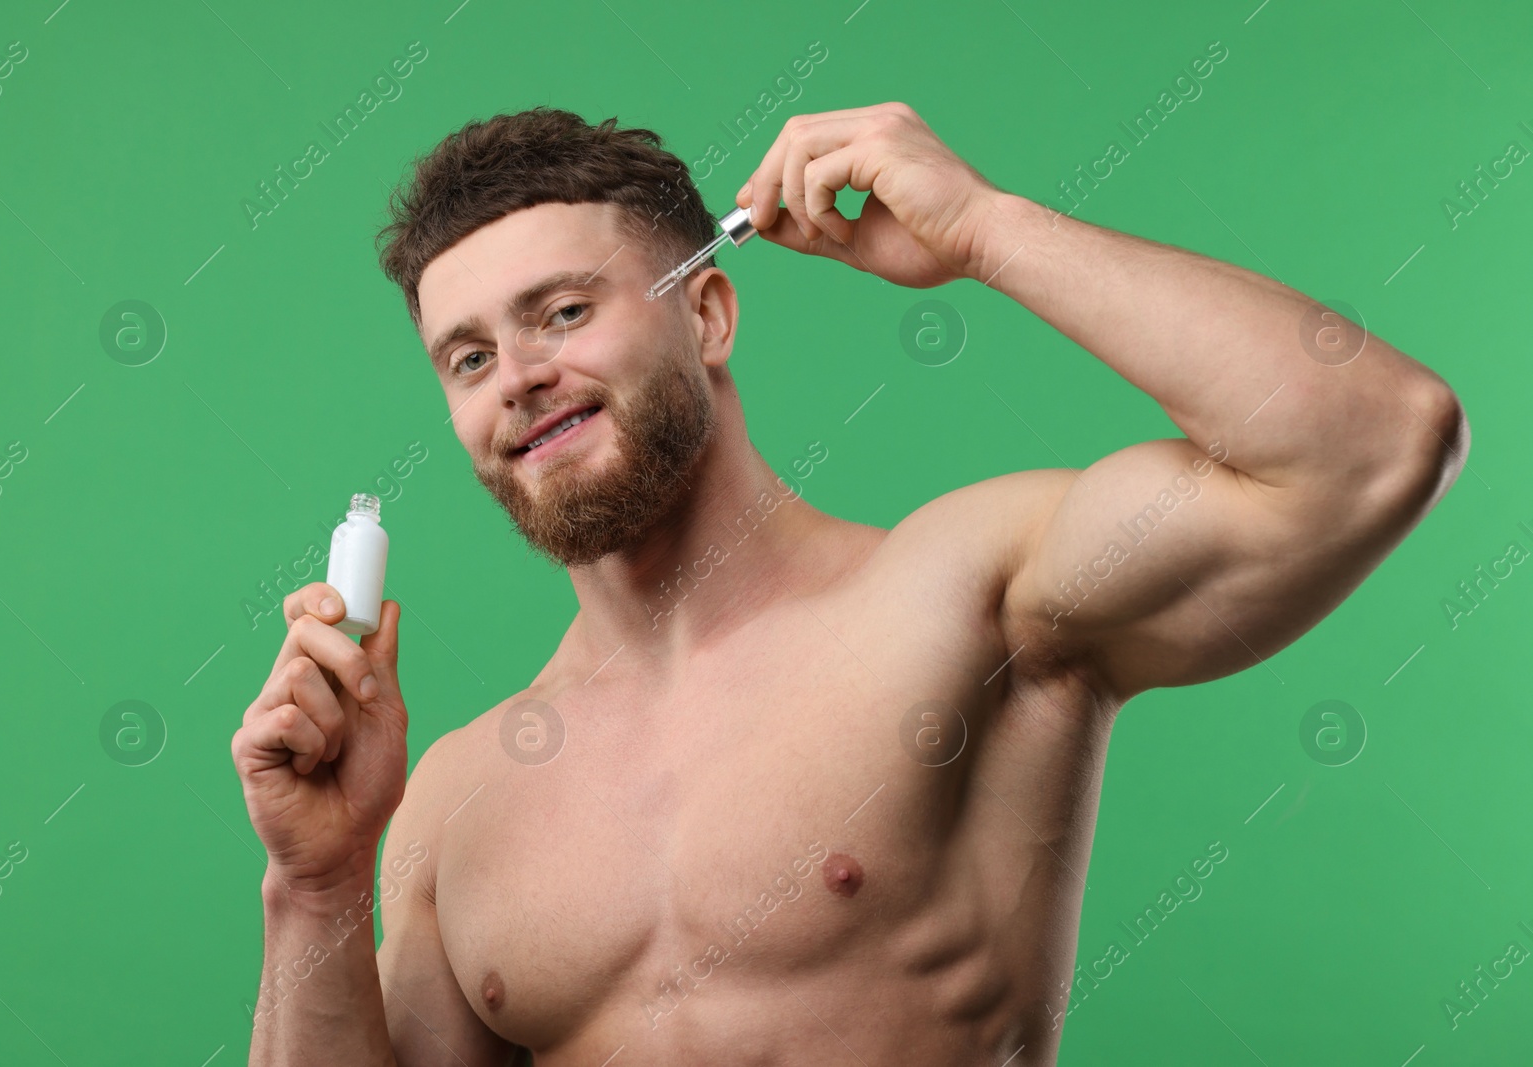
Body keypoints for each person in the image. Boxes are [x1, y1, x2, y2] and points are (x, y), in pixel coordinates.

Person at [231, 102, 1468, 1066]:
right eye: (469, 355)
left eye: (561, 310)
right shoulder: (455, 799)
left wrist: (985, 227)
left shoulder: (968, 596)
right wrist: (317, 884)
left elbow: (1372, 441)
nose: (518, 377)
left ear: (706, 313)